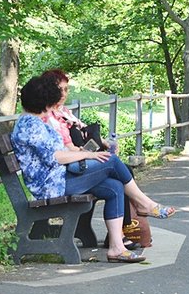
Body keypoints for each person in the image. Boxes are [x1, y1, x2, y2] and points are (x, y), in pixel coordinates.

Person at [10, 74, 175, 263]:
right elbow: (55, 157)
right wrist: (88, 154)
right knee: (111, 161)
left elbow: (59, 152)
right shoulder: (30, 125)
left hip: (59, 178)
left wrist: (85, 152)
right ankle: (144, 204)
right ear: (44, 102)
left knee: (114, 186)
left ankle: (117, 248)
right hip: (52, 186)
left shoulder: (35, 121)